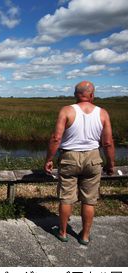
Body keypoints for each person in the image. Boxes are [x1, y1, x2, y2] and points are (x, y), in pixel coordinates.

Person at [44, 80, 115, 245]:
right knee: (89, 199)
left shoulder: (67, 110)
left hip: (69, 158)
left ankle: (62, 232)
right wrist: (110, 164)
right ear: (92, 95)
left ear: (75, 95)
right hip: (93, 159)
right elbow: (108, 143)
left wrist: (49, 159)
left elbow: (56, 138)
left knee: (66, 198)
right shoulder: (102, 113)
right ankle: (84, 236)